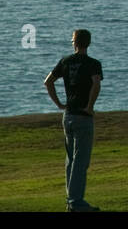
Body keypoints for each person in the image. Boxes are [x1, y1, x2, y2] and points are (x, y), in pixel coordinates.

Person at [44, 28, 103, 212]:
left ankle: (72, 200)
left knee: (70, 159)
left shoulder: (66, 62)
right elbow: (96, 83)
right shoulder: (93, 64)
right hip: (83, 117)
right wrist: (90, 106)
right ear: (89, 43)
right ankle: (76, 201)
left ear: (75, 43)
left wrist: (60, 104)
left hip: (68, 115)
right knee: (81, 160)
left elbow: (48, 82)